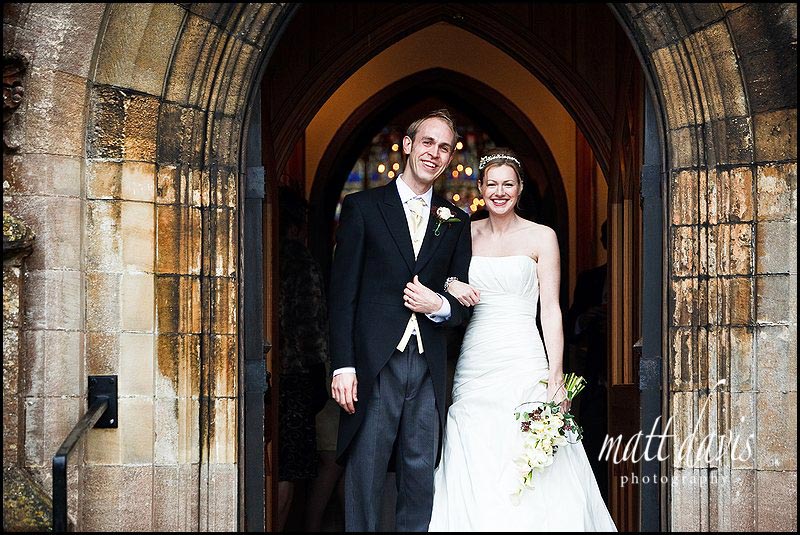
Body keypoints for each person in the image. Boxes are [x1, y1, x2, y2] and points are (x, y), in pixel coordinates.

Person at [428, 147, 617, 531]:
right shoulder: (464, 234)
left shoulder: (542, 237)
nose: (499, 192)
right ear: (481, 188)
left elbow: (551, 310)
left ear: (519, 189)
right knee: (476, 443)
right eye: (492, 184)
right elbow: (433, 278)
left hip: (524, 356)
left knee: (531, 448)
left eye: (508, 184)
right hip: (477, 359)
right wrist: (450, 283)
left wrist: (556, 375)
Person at [328, 108, 473, 532]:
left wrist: (438, 305)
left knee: (420, 475)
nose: (434, 153)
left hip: (428, 366)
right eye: (427, 142)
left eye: (444, 148)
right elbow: (342, 295)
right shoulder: (362, 208)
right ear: (408, 145)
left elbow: (461, 302)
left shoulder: (456, 220)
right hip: (375, 364)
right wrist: (343, 365)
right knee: (366, 473)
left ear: (449, 158)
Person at [276, 187, 330, 531]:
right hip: (295, 374)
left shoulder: (259, 253)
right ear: (295, 226)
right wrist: (318, 372)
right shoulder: (299, 259)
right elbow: (310, 321)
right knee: (288, 468)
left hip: (268, 370)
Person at [566, 220, 610, 501]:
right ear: (604, 242)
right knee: (593, 443)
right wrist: (587, 318)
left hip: (624, 371)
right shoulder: (589, 279)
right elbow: (571, 325)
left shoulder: (640, 275)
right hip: (594, 375)